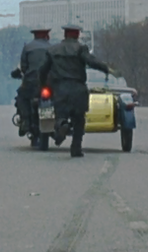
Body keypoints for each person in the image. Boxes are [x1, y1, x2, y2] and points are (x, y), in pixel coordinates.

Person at [38, 24, 117, 158]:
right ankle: (76, 148)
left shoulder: (52, 50)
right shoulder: (81, 49)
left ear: (65, 35)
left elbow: (43, 70)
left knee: (60, 115)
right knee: (79, 119)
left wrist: (42, 85)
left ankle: (62, 126)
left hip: (60, 88)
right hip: (78, 89)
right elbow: (91, 61)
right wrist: (106, 68)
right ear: (77, 35)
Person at [12, 28, 52, 143]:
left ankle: (25, 120)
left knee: (21, 96)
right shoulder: (52, 48)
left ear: (34, 36)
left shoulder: (27, 47)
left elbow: (24, 68)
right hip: (48, 83)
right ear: (46, 36)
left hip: (30, 83)